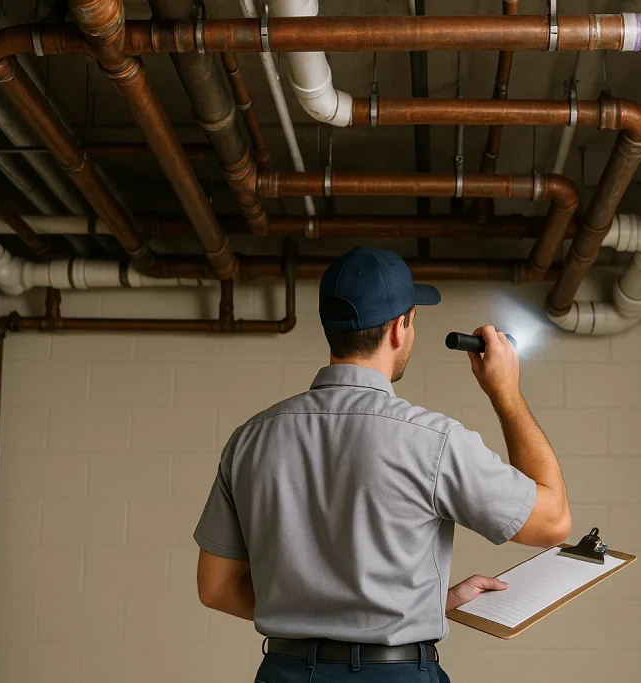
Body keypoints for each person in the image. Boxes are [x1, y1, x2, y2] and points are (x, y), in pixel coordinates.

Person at [194, 247, 571, 682]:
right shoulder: (433, 441)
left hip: (284, 674)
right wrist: (505, 392)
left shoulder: (250, 439)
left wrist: (422, 604)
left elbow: (216, 588)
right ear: (398, 328)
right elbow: (552, 522)